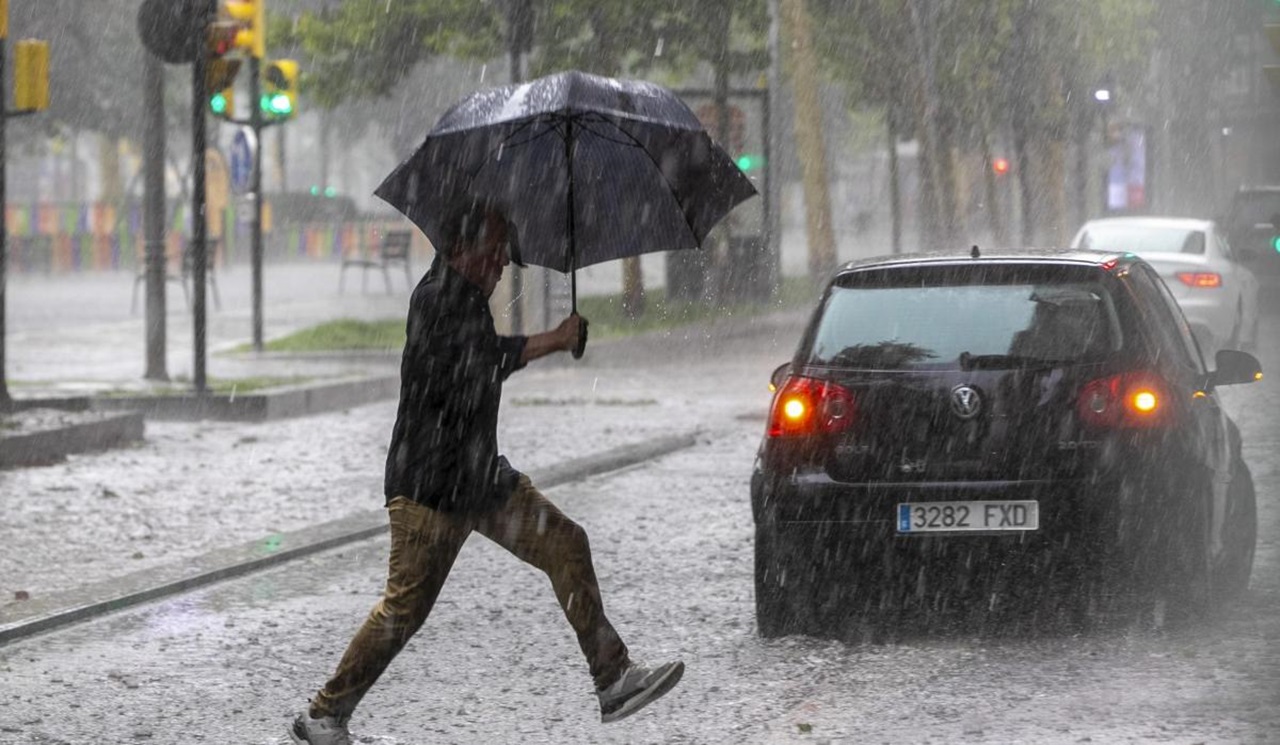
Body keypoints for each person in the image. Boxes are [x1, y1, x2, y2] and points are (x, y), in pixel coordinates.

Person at [289, 205, 684, 745]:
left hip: (479, 481)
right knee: (403, 610)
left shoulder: (467, 298)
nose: (503, 264)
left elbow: (482, 365)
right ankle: (324, 717)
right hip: (431, 489)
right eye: (495, 251)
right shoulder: (436, 300)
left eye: (505, 252)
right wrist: (555, 338)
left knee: (567, 543)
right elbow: (480, 362)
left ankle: (612, 678)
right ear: (461, 249)